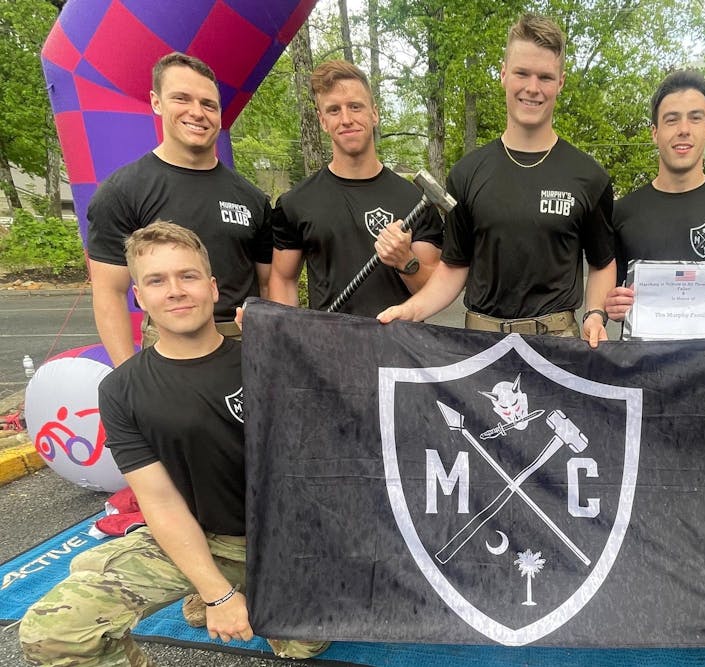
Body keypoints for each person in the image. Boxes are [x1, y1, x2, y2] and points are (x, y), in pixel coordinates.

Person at [19, 222, 328, 665]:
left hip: (285, 540)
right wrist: (216, 593)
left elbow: (334, 450)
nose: (176, 291)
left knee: (302, 648)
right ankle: (216, 588)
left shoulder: (268, 358)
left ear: (213, 287)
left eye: (188, 276)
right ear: (140, 298)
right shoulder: (122, 389)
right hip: (197, 536)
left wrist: (291, 350)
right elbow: (159, 501)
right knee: (53, 632)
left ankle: (247, 592)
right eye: (157, 281)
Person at [378, 14, 617, 347]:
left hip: (560, 346)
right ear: (504, 74)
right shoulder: (465, 174)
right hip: (480, 347)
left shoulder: (589, 177)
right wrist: (412, 309)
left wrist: (595, 315)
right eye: (522, 73)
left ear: (560, 82)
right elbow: (453, 268)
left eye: (545, 77)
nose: (532, 88)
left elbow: (603, 262)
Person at [87, 52, 272, 367]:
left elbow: (268, 285)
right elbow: (109, 294)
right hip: (165, 348)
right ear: (156, 102)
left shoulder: (252, 198)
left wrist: (272, 352)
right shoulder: (122, 191)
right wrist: (128, 377)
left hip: (243, 346)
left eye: (208, 104)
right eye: (182, 99)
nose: (197, 113)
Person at [269, 60, 443, 315]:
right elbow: (282, 280)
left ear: (374, 113)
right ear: (322, 120)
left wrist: (405, 260)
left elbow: (434, 290)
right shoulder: (296, 203)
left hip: (400, 347)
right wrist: (288, 337)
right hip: (329, 347)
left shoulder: (415, 200)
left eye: (355, 107)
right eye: (334, 110)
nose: (346, 119)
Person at [604, 70, 705, 327]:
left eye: (695, 118)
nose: (683, 130)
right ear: (655, 132)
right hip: (640, 362)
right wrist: (611, 303)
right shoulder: (620, 212)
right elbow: (610, 285)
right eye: (672, 120)